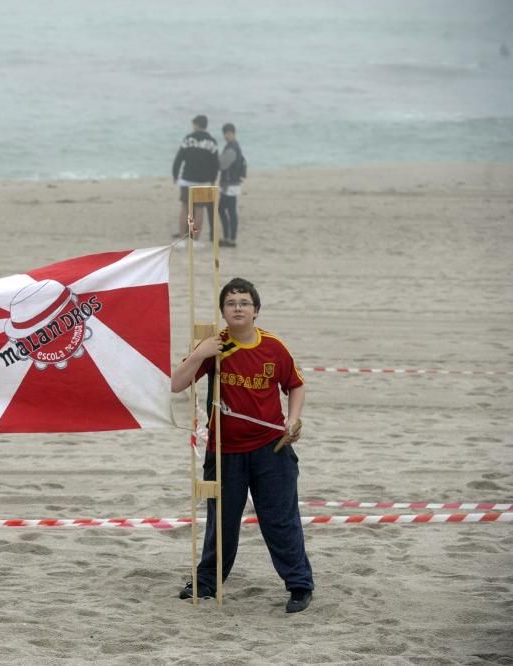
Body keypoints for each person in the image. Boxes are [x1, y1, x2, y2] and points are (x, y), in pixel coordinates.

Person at [171, 277, 314, 613]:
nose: (238, 307)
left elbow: (295, 386)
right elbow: (177, 384)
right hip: (224, 451)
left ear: (255, 311)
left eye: (244, 302)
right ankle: (206, 582)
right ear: (223, 311)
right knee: (222, 521)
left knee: (280, 520)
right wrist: (200, 355)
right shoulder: (215, 345)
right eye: (231, 303)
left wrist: (293, 420)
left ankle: (299, 585)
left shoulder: (273, 347)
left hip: (271, 450)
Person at [170, 114, 219, 243]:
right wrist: (213, 179)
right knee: (199, 210)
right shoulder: (212, 142)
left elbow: (179, 159)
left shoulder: (188, 139)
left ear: (197, 125)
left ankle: (182, 239)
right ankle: (194, 240)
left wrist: (175, 175)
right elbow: (215, 164)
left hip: (187, 180)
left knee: (185, 208)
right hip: (203, 181)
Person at [217, 123, 245, 247]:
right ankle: (228, 237)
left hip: (230, 184)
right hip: (232, 183)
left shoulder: (232, 148)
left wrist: (217, 160)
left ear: (233, 133)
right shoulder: (234, 146)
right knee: (226, 210)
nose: (226, 136)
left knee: (226, 210)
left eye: (228, 133)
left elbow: (222, 165)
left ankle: (231, 238)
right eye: (225, 134)